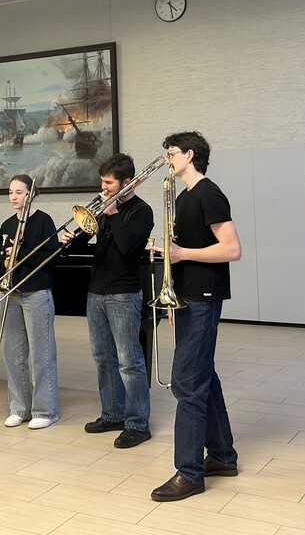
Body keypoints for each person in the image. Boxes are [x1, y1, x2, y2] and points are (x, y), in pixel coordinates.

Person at [150, 131, 242, 503]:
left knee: (186, 383)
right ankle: (222, 456)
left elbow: (232, 249)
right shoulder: (184, 196)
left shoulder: (208, 193)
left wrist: (183, 254)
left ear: (190, 155)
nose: (167, 160)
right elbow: (183, 249)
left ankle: (189, 473)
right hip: (187, 297)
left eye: (171, 153)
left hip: (204, 296)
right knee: (204, 376)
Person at [61, 153, 154, 448]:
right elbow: (85, 241)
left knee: (129, 361)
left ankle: (138, 424)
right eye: (102, 181)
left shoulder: (142, 211)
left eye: (109, 182)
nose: (103, 187)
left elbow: (128, 247)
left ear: (127, 182)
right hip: (97, 292)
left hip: (123, 293)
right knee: (103, 358)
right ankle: (113, 414)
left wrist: (112, 214)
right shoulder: (103, 208)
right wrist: (70, 240)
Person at [0, 174, 60, 429]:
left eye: (19, 192)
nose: (13, 197)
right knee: (12, 353)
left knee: (41, 353)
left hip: (36, 292)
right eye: (10, 192)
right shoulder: (6, 225)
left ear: (31, 194)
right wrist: (4, 261)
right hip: (10, 293)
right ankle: (19, 408)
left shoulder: (43, 221)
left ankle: (45, 411)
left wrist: (20, 253)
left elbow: (52, 257)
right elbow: (0, 259)